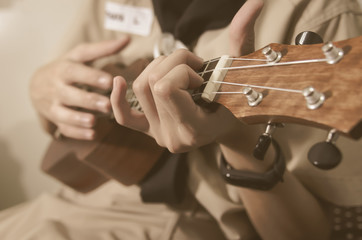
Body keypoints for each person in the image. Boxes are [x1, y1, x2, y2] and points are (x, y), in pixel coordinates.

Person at [0, 0, 361, 239]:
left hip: (193, 221)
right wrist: (40, 86)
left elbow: (316, 233)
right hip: (85, 193)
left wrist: (237, 141)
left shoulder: (322, 15)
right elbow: (63, 94)